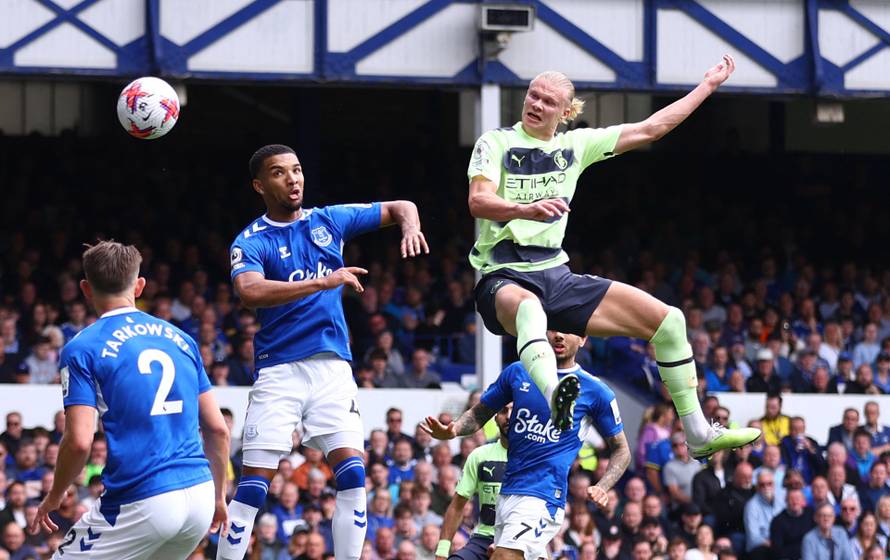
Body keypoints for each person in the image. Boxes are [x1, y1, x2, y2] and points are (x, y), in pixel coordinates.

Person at [465, 55, 759, 455]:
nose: (536, 104)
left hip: (556, 275)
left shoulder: (576, 145)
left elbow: (651, 129)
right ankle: (556, 393)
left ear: (566, 113)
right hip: (502, 276)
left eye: (548, 101)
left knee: (670, 322)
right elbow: (479, 201)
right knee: (530, 309)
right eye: (533, 95)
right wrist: (523, 209)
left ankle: (699, 435)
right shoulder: (495, 142)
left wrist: (706, 86)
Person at [218, 144, 428, 560]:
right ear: (259, 185)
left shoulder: (328, 220)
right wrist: (322, 282)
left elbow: (402, 205)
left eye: (296, 170)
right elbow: (249, 291)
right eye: (279, 173)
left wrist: (410, 227)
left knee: (353, 473)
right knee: (253, 486)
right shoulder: (251, 240)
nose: (293, 179)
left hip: (332, 368)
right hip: (278, 370)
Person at [28, 241, 230, 558]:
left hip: (143, 498)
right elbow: (218, 429)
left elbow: (80, 441)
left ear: (85, 289)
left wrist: (55, 494)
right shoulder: (182, 339)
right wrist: (219, 497)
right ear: (139, 286)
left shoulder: (83, 347)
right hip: (201, 497)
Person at [423, 330, 631, 560]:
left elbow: (621, 449)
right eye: (554, 329)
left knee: (503, 557)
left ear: (583, 339)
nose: (559, 336)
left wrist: (603, 485)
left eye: (568, 331)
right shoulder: (518, 372)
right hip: (507, 493)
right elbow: (479, 414)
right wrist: (453, 429)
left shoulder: (597, 391)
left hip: (543, 495)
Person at [435, 405, 511, 560]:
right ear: (495, 418)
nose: (509, 416)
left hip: (521, 541)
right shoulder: (479, 456)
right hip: (483, 539)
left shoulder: (535, 459)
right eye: (503, 411)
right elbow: (457, 506)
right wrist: (442, 552)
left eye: (514, 411)